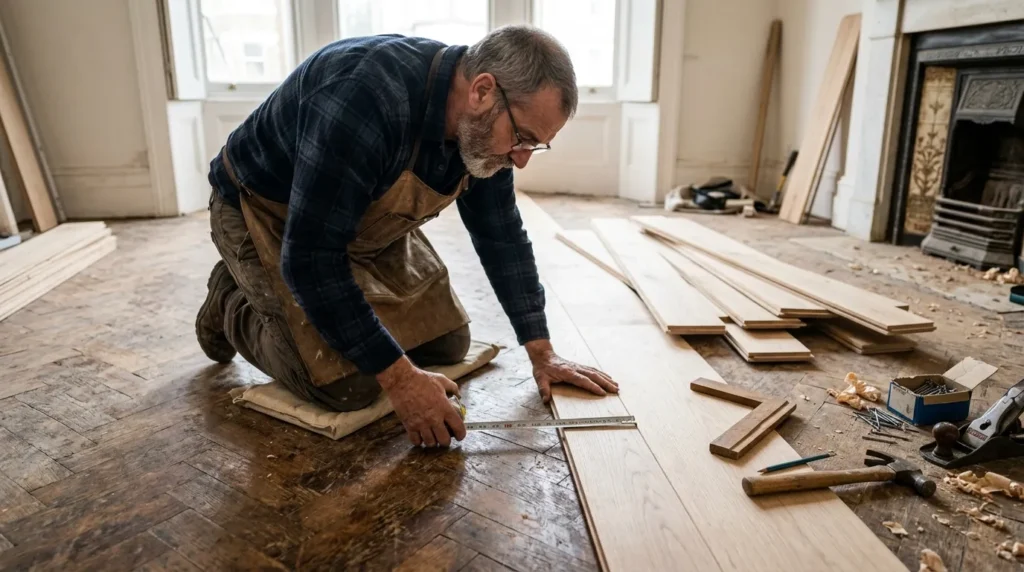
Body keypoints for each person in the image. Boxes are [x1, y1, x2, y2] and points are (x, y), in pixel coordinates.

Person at [196, 24, 618, 448]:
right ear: (483, 91)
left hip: (354, 221)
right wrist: (400, 381)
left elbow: (501, 235)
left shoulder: (486, 133)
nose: (522, 160)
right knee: (346, 386)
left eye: (536, 146)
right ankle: (229, 300)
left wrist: (541, 352)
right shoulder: (364, 95)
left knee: (447, 344)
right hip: (268, 214)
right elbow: (310, 258)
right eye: (523, 138)